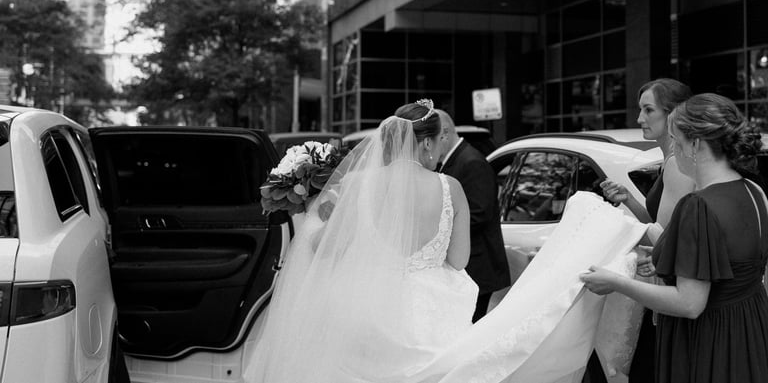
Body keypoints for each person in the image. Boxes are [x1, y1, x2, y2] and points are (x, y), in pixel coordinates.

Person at [243, 98, 649, 383]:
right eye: (438, 142)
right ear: (424, 142)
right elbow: (457, 260)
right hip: (430, 310)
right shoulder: (448, 187)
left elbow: (324, 249)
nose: (439, 151)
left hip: (366, 307)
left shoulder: (357, 185)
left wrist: (318, 219)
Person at [581, 93, 768, 383]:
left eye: (675, 140)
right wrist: (666, 262)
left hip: (709, 342)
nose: (673, 151)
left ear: (695, 144)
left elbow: (689, 303)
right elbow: (734, 264)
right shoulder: (756, 193)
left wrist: (616, 283)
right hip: (750, 331)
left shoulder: (699, 206)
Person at [599, 77, 695, 382]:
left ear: (673, 113)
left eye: (648, 110)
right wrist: (628, 200)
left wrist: (602, 226)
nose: (640, 118)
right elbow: (658, 225)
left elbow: (662, 236)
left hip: (674, 283)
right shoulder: (668, 161)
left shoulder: (677, 164)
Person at [436, 109, 510, 321]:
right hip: (466, 263)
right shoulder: (455, 161)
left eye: (431, 138)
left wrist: (436, 230)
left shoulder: (471, 162)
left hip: (477, 266)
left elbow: (478, 214)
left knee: (470, 325)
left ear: (445, 133)